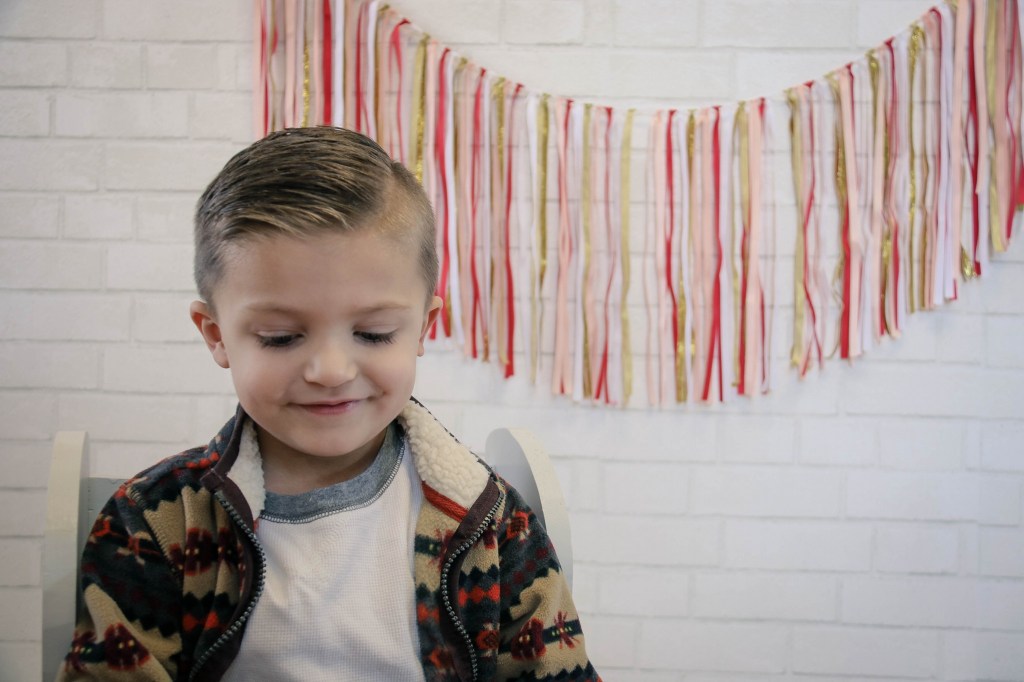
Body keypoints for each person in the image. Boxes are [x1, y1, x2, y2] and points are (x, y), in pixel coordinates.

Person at [58, 127, 599, 681]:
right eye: (281, 338)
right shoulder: (155, 523)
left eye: (374, 333)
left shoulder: (489, 519)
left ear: (422, 329)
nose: (332, 371)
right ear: (216, 335)